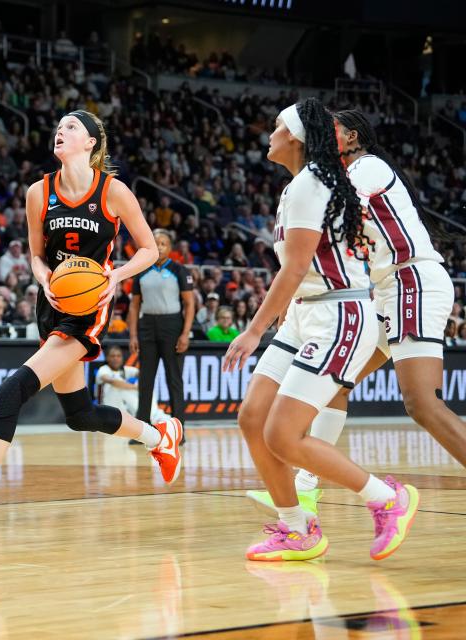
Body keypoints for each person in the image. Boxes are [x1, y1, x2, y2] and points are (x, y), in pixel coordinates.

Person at [0, 110, 183, 537]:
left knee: (11, 390)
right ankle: (160, 437)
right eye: (59, 126)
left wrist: (114, 276)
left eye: (72, 127)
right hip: (53, 301)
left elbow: (149, 249)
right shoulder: (38, 193)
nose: (61, 131)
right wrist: (44, 278)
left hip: (88, 306)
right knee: (79, 414)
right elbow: (37, 255)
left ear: (91, 143)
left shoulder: (113, 192)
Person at [223, 99, 418, 563]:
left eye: (275, 128)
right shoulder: (302, 185)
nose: (269, 135)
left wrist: (253, 331)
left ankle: (386, 498)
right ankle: (297, 529)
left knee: (283, 434)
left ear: (293, 136)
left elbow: (292, 270)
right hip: (305, 314)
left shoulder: (311, 183)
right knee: (253, 418)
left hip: (337, 316)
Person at [246, 109, 466, 518]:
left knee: (422, 404)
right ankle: (307, 486)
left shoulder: (364, 168)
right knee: (335, 387)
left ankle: (328, 488)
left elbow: (326, 218)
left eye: (331, 130)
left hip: (408, 281)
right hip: (378, 291)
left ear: (349, 138)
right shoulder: (326, 178)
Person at [127, 229, 194, 443]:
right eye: (156, 243)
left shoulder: (179, 270)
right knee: (145, 379)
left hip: (172, 325)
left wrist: (185, 334)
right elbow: (134, 305)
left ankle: (179, 431)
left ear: (170, 248)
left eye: (164, 243)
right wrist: (133, 335)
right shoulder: (142, 271)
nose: (160, 246)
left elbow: (190, 303)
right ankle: (142, 432)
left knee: (173, 379)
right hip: (147, 325)